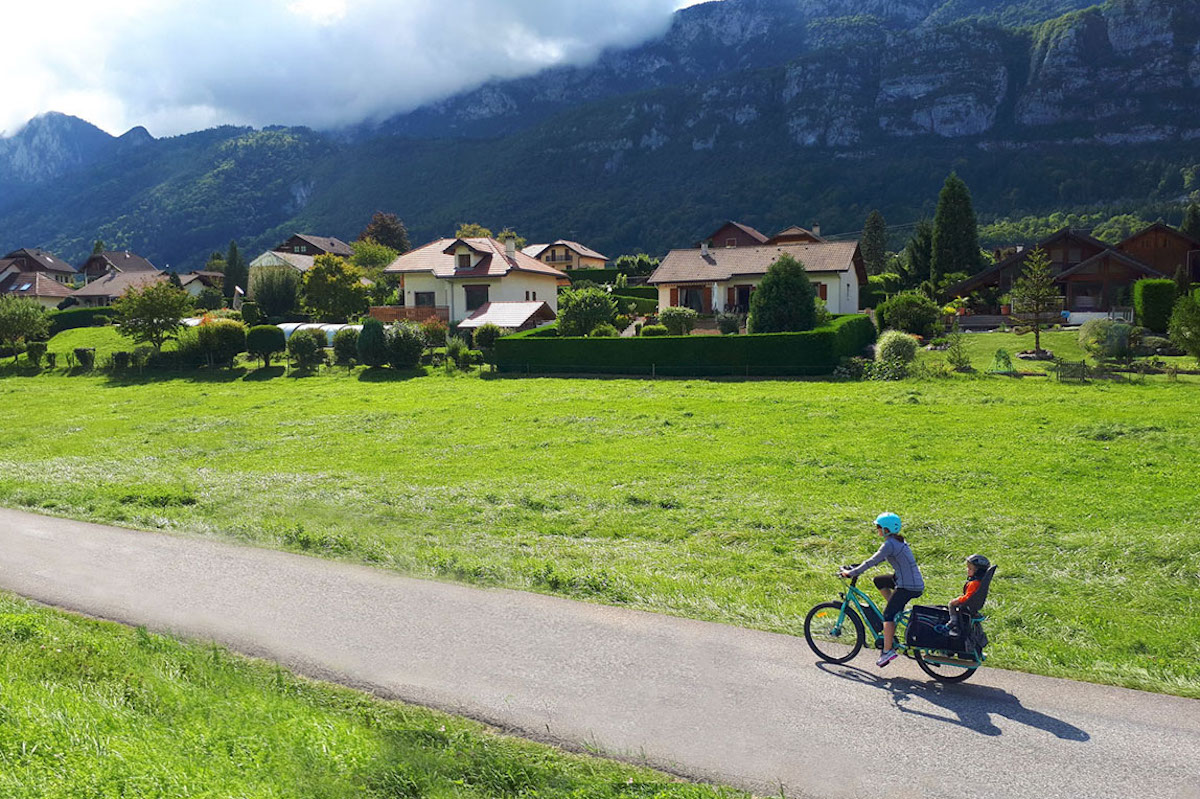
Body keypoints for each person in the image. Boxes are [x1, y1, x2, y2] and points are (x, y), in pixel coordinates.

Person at [840, 512, 924, 667]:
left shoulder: (890, 544)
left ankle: (887, 651)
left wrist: (851, 573)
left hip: (907, 586)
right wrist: (857, 567)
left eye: (878, 527)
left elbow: (872, 561)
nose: (876, 529)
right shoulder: (896, 541)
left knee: (887, 615)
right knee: (879, 581)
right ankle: (896, 608)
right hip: (908, 580)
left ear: (886, 529)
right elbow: (877, 560)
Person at [944, 554, 990, 637]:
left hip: (967, 604)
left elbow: (968, 597)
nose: (967, 570)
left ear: (978, 571)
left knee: (951, 604)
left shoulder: (973, 583)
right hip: (972, 605)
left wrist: (959, 599)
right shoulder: (980, 582)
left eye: (970, 569)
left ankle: (953, 621)